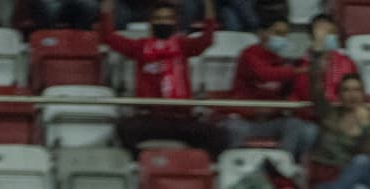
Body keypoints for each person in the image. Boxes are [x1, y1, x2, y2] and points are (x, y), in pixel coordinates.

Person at [99, 0, 228, 158]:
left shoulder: (183, 45)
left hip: (181, 119)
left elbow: (207, 39)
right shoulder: (139, 47)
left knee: (218, 135)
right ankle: (146, 163)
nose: (163, 22)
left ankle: (192, 167)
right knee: (123, 130)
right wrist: (106, 8)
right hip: (150, 119)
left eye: (167, 18)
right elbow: (108, 37)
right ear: (151, 22)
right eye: (159, 18)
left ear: (174, 22)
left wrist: (208, 5)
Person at [221, 14, 318, 163]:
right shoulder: (249, 55)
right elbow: (265, 73)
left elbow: (295, 91)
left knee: (298, 127)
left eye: (285, 35)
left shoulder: (284, 62)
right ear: (261, 34)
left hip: (271, 121)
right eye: (277, 33)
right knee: (231, 128)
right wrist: (297, 71)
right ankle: (235, 171)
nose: (282, 38)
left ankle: (284, 168)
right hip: (244, 121)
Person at [308, 73, 370, 189]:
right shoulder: (329, 114)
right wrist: (317, 64)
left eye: (356, 90)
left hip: (358, 178)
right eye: (346, 90)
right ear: (339, 94)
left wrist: (365, 127)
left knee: (362, 161)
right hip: (327, 181)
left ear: (362, 94)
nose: (352, 95)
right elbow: (317, 90)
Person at [291, 13, 360, 105]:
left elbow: (356, 92)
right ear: (311, 37)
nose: (327, 35)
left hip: (339, 113)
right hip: (307, 114)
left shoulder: (347, 62)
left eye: (331, 32)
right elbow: (304, 94)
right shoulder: (301, 64)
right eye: (322, 30)